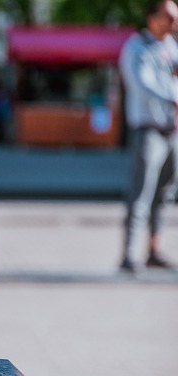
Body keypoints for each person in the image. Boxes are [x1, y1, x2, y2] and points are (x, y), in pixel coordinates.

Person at [119, 0, 178, 272]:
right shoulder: (136, 47)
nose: (175, 23)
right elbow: (143, 85)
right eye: (170, 17)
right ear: (153, 19)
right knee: (141, 194)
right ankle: (129, 255)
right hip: (148, 130)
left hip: (171, 132)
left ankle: (153, 250)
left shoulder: (170, 46)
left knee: (164, 194)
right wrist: (174, 98)